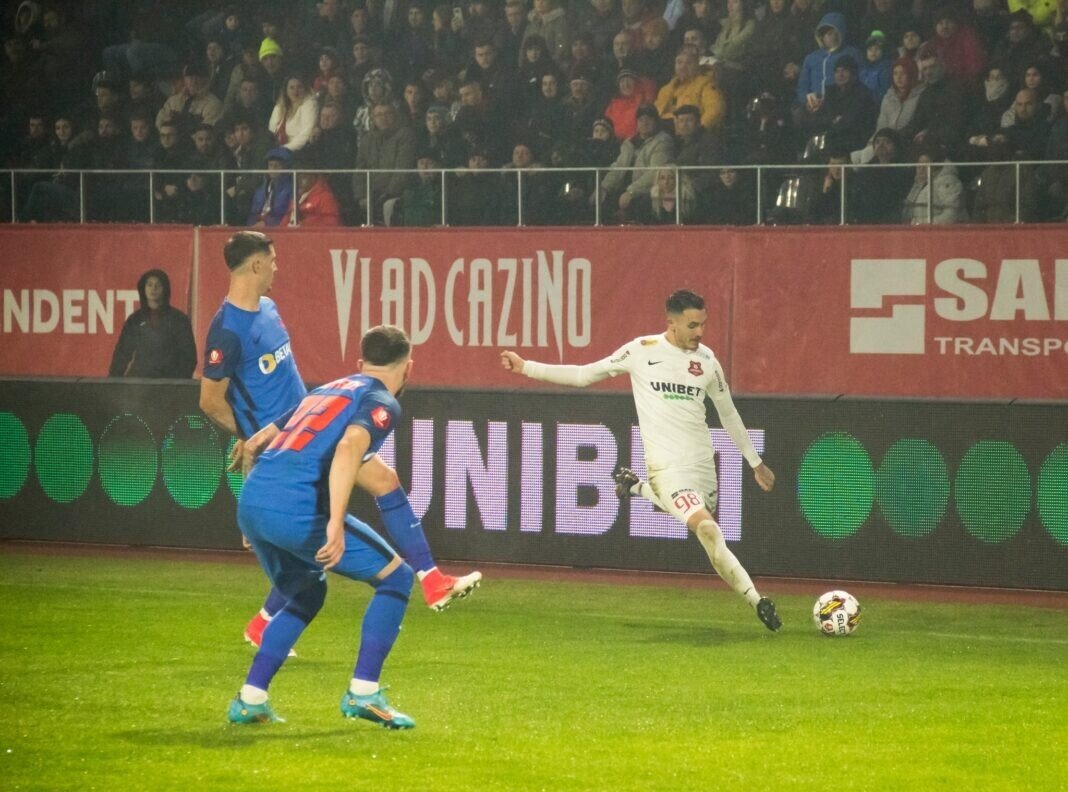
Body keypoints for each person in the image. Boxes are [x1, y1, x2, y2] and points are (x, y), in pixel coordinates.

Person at [199, 232, 480, 654]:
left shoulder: (269, 309)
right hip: (287, 444)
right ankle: (426, 581)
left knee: (382, 482)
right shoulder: (227, 330)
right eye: (272, 260)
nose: (277, 267)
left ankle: (430, 580)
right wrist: (254, 439)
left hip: (308, 425)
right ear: (255, 265)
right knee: (327, 524)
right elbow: (209, 401)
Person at [500, 289, 782, 632]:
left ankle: (636, 488)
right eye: (693, 325)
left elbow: (728, 413)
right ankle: (757, 600)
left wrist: (754, 462)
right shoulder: (641, 351)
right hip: (667, 470)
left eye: (703, 324)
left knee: (702, 526)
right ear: (672, 323)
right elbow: (584, 375)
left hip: (704, 469)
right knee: (707, 529)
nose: (700, 332)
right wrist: (526, 367)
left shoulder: (707, 361)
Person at [226, 325, 424, 728]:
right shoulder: (380, 400)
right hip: (294, 509)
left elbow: (253, 443)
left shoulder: (326, 390)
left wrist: (251, 515)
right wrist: (334, 524)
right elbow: (349, 448)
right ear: (409, 368)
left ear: (361, 361)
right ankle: (363, 693)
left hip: (255, 501)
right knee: (397, 578)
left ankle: (250, 699)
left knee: (306, 592)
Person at [108, 269, 196, 378]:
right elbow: (121, 354)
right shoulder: (135, 320)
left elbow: (189, 357)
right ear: (143, 288)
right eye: (149, 285)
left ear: (165, 289)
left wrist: (177, 382)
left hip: (169, 381)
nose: (153, 288)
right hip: (139, 381)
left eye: (158, 285)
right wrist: (113, 382)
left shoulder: (179, 319)